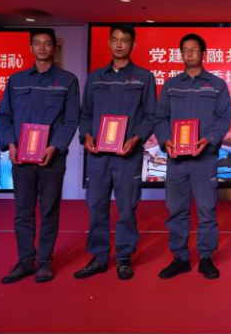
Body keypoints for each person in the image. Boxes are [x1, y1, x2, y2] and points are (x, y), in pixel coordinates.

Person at [0, 28, 80, 283]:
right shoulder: (16, 80)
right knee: (23, 212)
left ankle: (44, 262)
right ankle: (24, 261)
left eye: (47, 44)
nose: (42, 48)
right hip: (21, 158)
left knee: (49, 210)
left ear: (55, 48)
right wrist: (10, 144)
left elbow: (71, 119)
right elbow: (4, 116)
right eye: (37, 43)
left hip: (52, 157)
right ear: (31, 48)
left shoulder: (67, 80)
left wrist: (54, 146)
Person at [74, 25, 156, 281]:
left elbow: (150, 115)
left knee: (127, 208)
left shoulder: (144, 77)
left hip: (127, 155)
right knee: (96, 206)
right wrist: (86, 135)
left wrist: (136, 138)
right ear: (109, 43)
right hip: (98, 156)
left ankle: (123, 257)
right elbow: (85, 113)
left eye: (125, 40)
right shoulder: (95, 78)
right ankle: (99, 257)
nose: (119, 44)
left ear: (133, 45)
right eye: (115, 40)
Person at [154, 33, 231, 280]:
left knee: (206, 209)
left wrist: (208, 139)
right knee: (176, 209)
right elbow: (160, 118)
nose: (189, 54)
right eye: (185, 50)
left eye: (194, 50)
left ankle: (206, 257)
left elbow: (224, 118)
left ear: (203, 54)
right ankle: (180, 258)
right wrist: (165, 140)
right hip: (176, 159)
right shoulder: (171, 85)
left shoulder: (217, 85)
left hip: (204, 159)